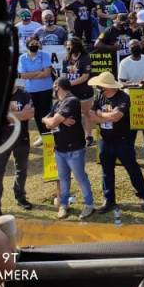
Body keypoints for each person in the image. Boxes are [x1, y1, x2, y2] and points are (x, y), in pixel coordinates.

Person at [87, 71, 144, 213]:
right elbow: (91, 115)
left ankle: (143, 195)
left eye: (100, 85)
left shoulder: (123, 97)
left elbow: (116, 116)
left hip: (123, 140)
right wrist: (105, 117)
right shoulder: (99, 96)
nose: (98, 87)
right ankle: (108, 199)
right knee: (106, 171)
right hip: (105, 140)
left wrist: (100, 114)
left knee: (132, 168)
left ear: (107, 86)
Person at [43, 78, 95, 220]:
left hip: (74, 148)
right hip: (60, 148)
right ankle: (63, 205)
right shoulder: (57, 103)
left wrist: (55, 121)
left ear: (57, 86)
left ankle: (89, 204)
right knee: (63, 178)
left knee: (80, 177)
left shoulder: (71, 100)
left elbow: (52, 122)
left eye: (54, 86)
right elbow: (45, 120)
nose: (53, 88)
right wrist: (61, 120)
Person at [0, 80, 34, 218]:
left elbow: (30, 114)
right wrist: (19, 115)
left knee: (22, 170)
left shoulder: (24, 94)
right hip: (2, 141)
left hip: (21, 138)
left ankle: (20, 197)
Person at [62, 36, 95, 146]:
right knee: (71, 115)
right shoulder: (66, 58)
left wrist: (69, 84)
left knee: (86, 113)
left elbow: (85, 76)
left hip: (84, 91)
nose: (68, 47)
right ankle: (74, 136)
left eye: (69, 45)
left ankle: (89, 136)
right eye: (67, 45)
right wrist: (63, 84)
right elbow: (64, 74)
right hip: (70, 93)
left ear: (76, 46)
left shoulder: (85, 58)